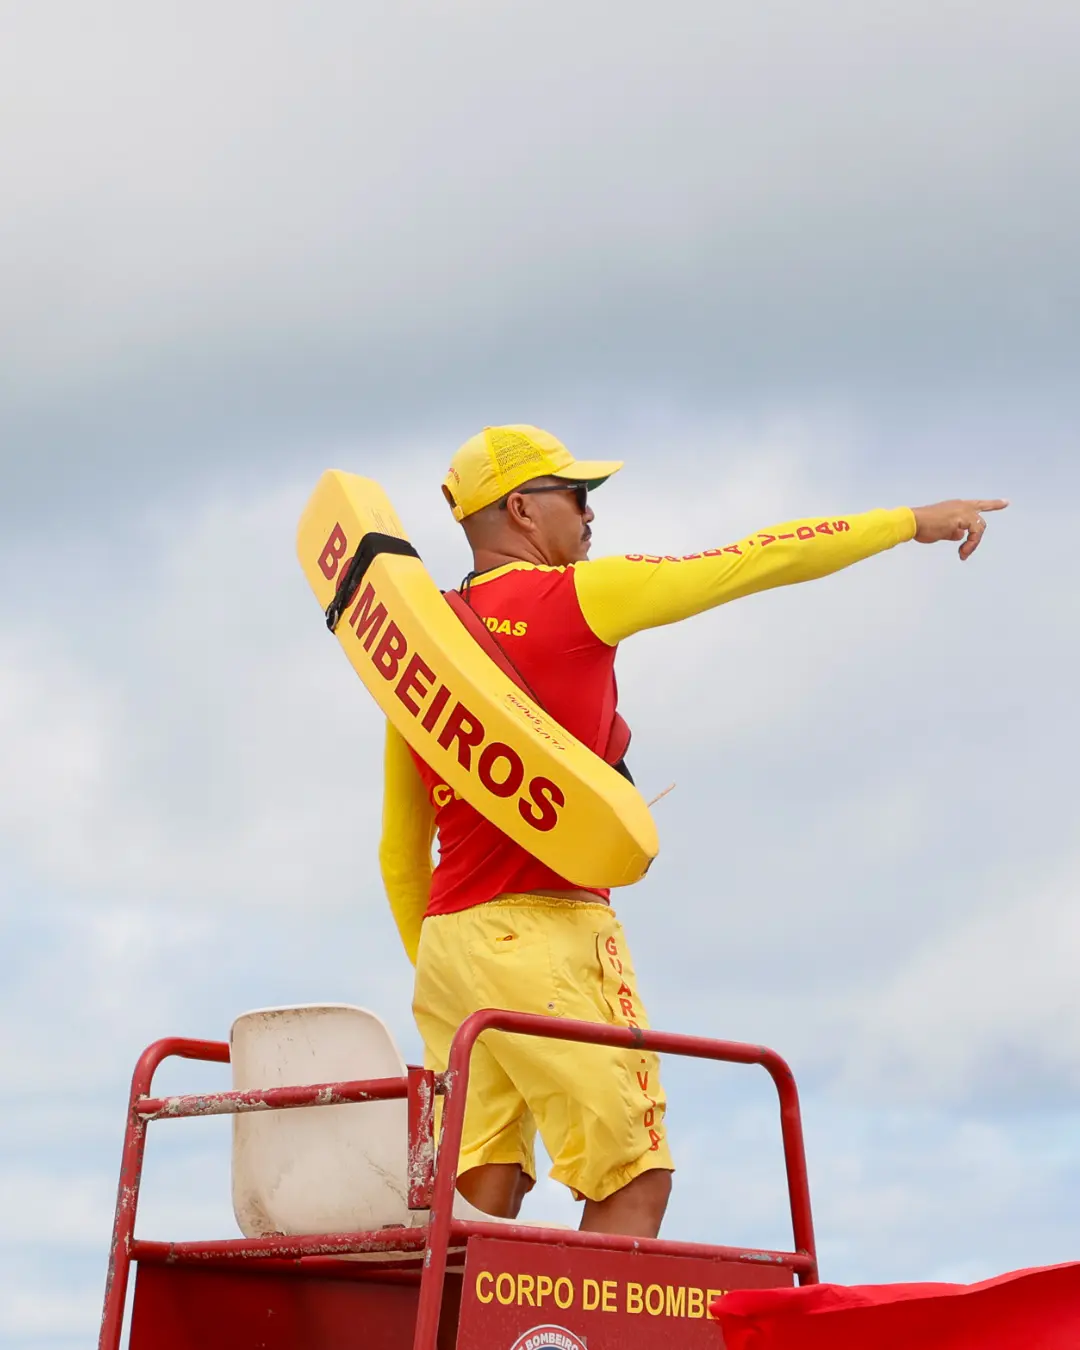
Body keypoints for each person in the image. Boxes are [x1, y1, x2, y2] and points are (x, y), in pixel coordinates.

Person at [378, 424, 1007, 1239]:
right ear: (523, 511)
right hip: (549, 932)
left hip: (448, 950)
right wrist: (909, 522)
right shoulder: (577, 597)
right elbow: (751, 561)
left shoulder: (425, 653)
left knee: (482, 1187)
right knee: (634, 1177)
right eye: (578, 495)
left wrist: (445, 973)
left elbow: (401, 853)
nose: (591, 513)